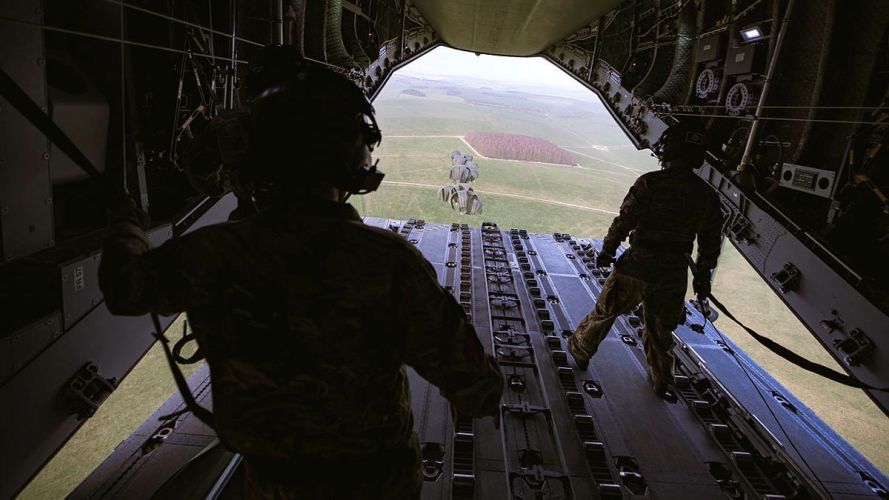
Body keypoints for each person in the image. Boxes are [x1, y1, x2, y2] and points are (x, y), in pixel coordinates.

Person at [99, 51, 504, 498]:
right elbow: (476, 386)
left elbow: (126, 288)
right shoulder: (387, 263)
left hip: (273, 485)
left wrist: (124, 224)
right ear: (350, 156)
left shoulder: (211, 253)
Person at [567, 121, 724, 397]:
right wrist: (702, 283)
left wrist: (606, 251)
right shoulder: (707, 196)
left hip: (638, 265)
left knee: (605, 313)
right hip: (673, 273)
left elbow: (624, 221)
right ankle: (661, 379)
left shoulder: (650, 183)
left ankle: (580, 352)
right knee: (661, 331)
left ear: (669, 151)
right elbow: (709, 247)